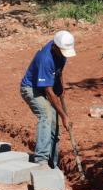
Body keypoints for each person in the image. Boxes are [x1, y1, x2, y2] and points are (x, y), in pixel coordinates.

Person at [19, 31, 77, 168]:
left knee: (54, 122)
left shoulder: (61, 52)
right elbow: (48, 91)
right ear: (56, 47)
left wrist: (61, 90)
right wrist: (64, 115)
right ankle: (41, 159)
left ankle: (53, 162)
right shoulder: (46, 58)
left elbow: (58, 73)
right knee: (46, 115)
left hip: (47, 87)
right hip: (31, 89)